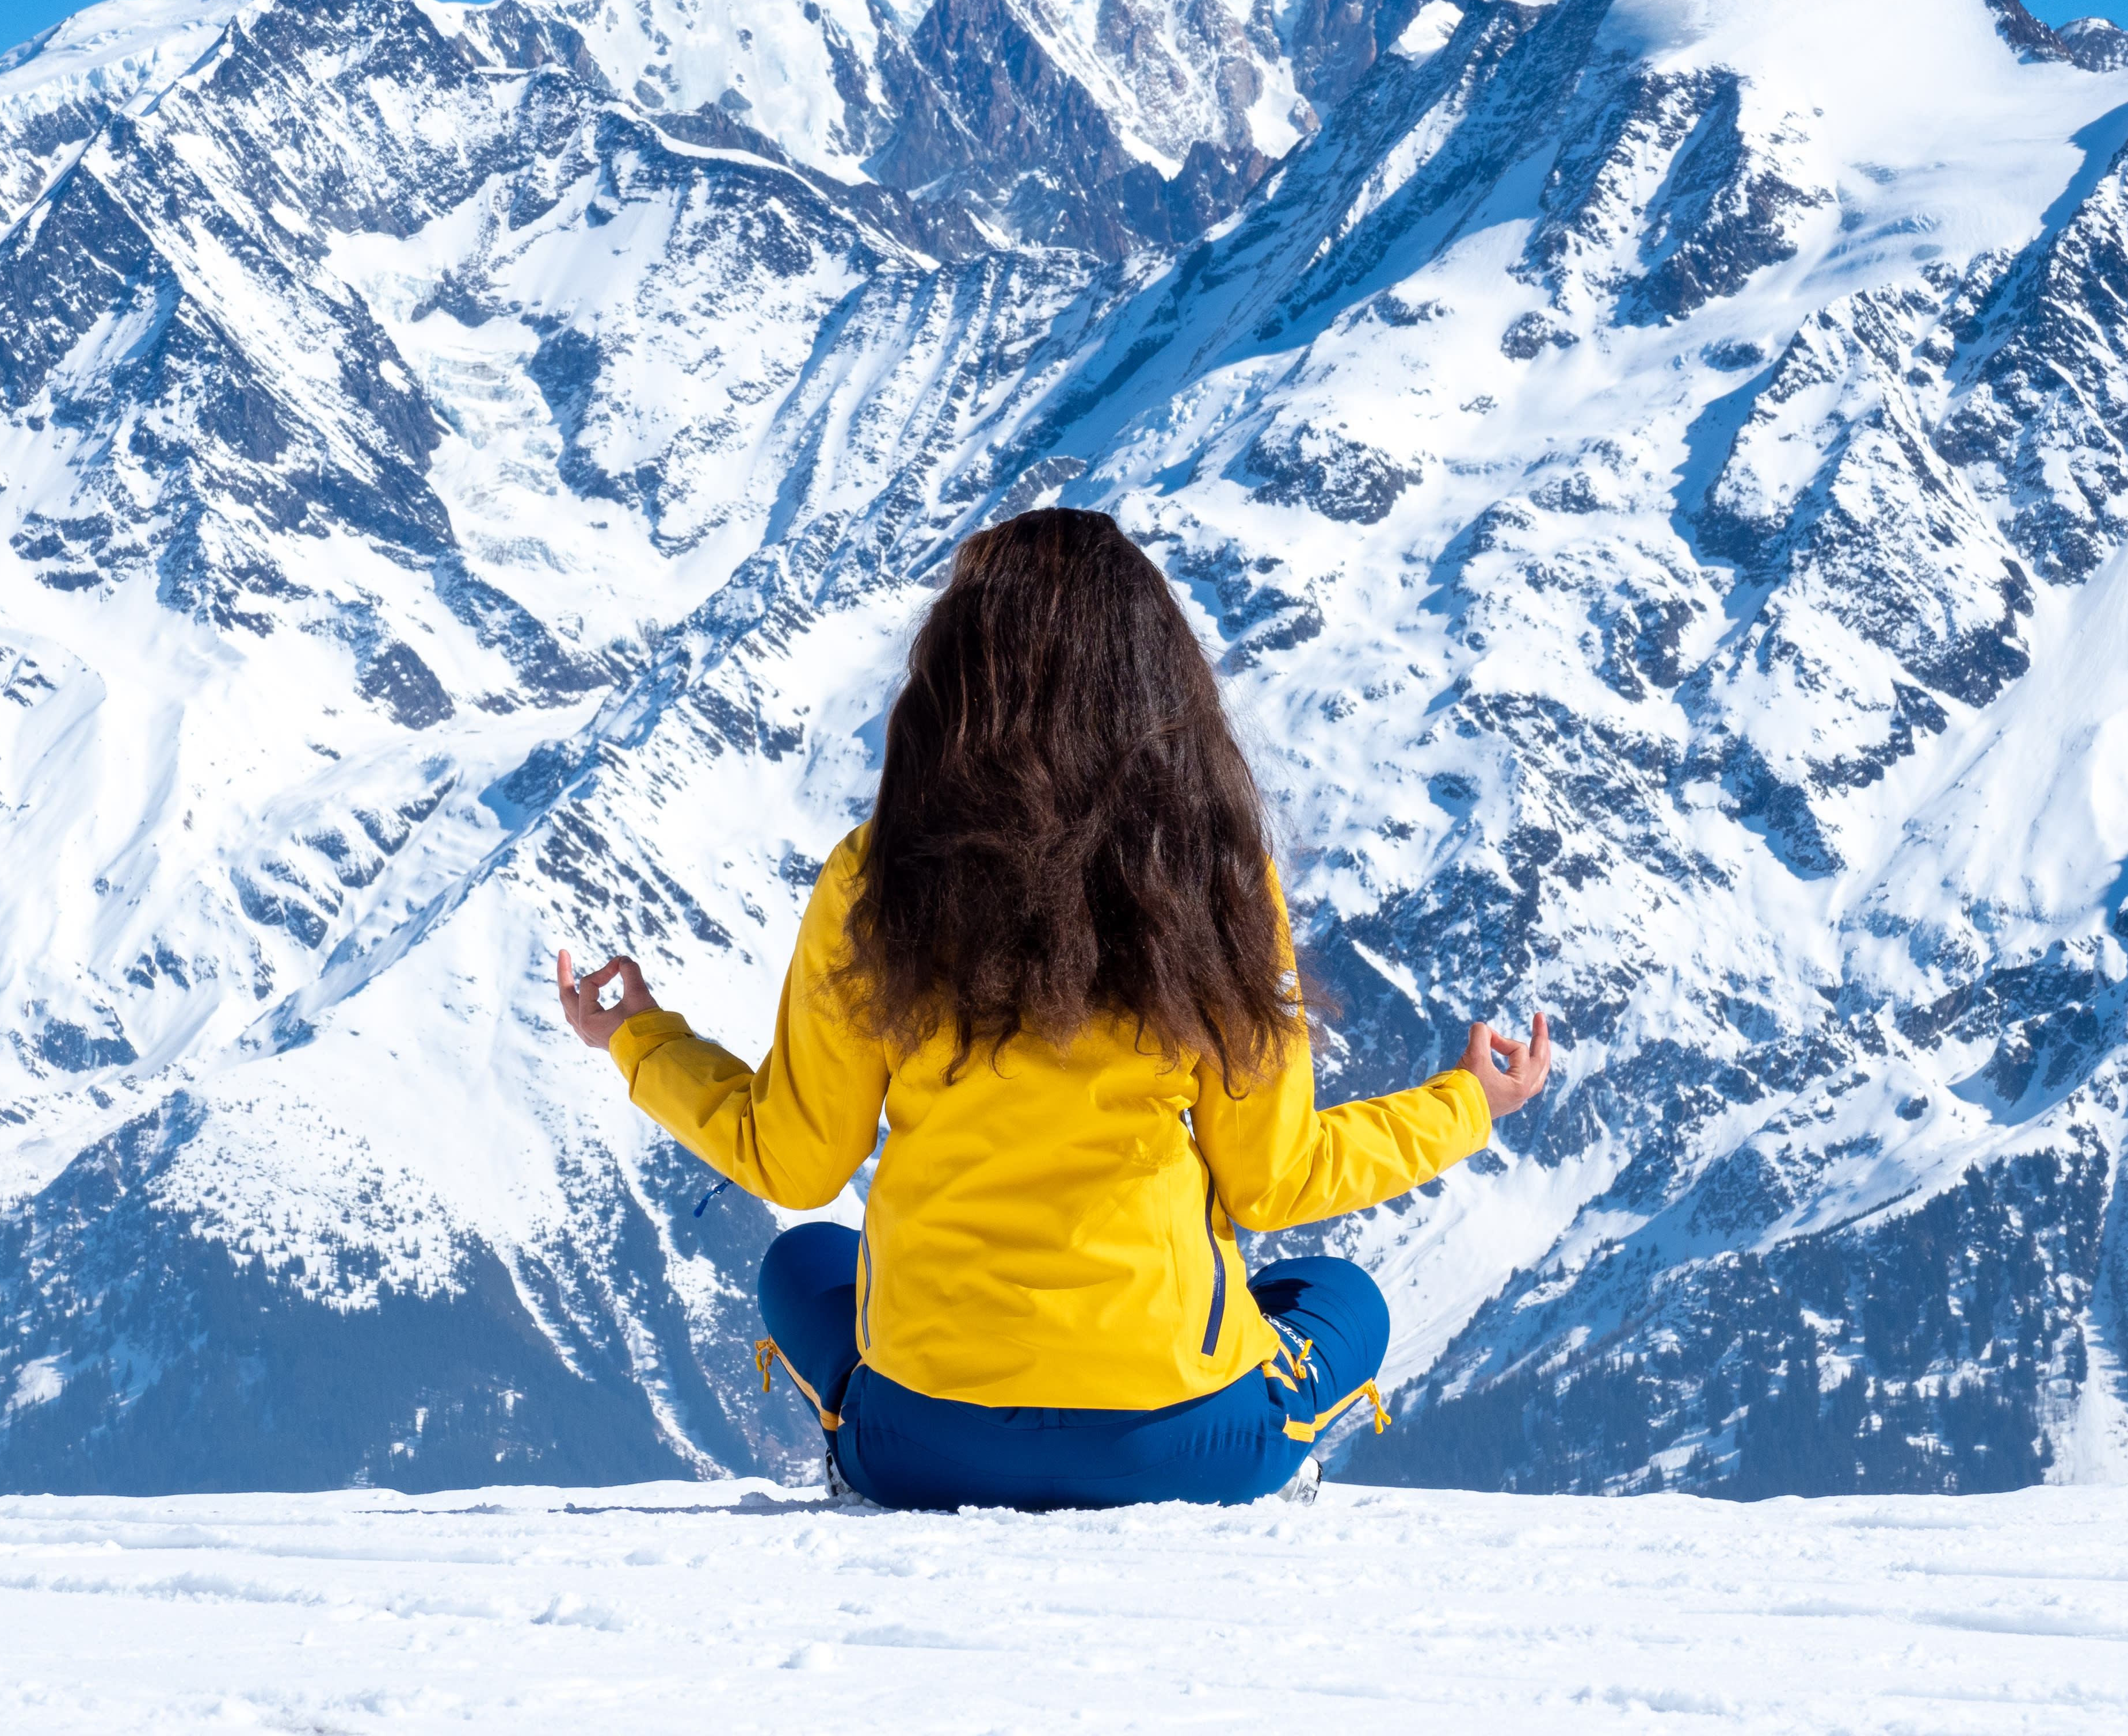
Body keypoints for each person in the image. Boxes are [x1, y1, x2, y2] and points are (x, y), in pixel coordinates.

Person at [554, 508, 1551, 1510]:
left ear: (949, 685)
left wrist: (639, 1038)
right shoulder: (1216, 882)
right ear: (1161, 686)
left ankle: (862, 1420)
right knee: (1341, 1300)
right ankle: (1257, 1450)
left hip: (921, 1445)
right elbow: (1273, 1184)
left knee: (804, 1265)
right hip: (1183, 1444)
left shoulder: (874, 881)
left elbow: (797, 1159)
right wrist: (1468, 1102)